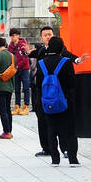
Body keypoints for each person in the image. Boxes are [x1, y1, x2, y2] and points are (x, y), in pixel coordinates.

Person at [37, 37, 80, 166]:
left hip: (48, 102)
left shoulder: (41, 63)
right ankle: (73, 159)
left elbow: (38, 84)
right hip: (66, 101)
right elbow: (72, 83)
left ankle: (55, 159)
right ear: (62, 48)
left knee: (51, 129)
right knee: (70, 130)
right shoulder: (66, 62)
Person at [28, 26, 57, 157]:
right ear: (41, 38)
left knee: (60, 119)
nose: (48, 37)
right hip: (41, 89)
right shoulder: (40, 51)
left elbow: (69, 57)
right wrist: (26, 53)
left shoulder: (60, 49)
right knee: (42, 119)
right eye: (45, 35)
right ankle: (46, 147)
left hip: (56, 90)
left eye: (50, 34)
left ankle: (65, 148)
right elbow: (31, 53)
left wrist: (77, 60)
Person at [0, 37, 15, 139]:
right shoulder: (12, 55)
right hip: (10, 85)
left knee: (2, 109)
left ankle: (6, 131)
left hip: (0, 85)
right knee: (8, 109)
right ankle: (9, 130)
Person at [9, 29, 32, 116]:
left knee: (26, 88)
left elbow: (25, 59)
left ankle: (26, 107)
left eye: (14, 35)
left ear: (18, 35)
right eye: (11, 36)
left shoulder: (23, 44)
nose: (13, 37)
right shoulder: (10, 46)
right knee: (17, 88)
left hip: (24, 69)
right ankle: (17, 107)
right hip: (15, 70)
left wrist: (17, 66)